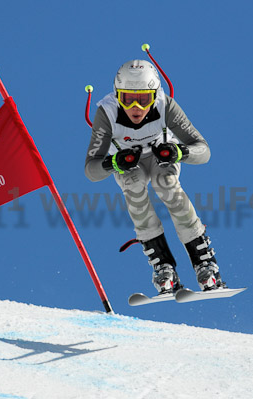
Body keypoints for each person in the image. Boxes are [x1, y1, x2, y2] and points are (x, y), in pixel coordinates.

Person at [84, 59, 225, 295]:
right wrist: (113, 162)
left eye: (144, 99)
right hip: (129, 163)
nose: (136, 107)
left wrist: (179, 152)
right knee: (133, 184)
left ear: (154, 95)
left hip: (162, 157)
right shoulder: (106, 113)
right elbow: (91, 170)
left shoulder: (165, 105)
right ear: (117, 95)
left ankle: (204, 262)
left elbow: (204, 151)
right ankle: (163, 266)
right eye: (128, 99)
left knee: (166, 184)